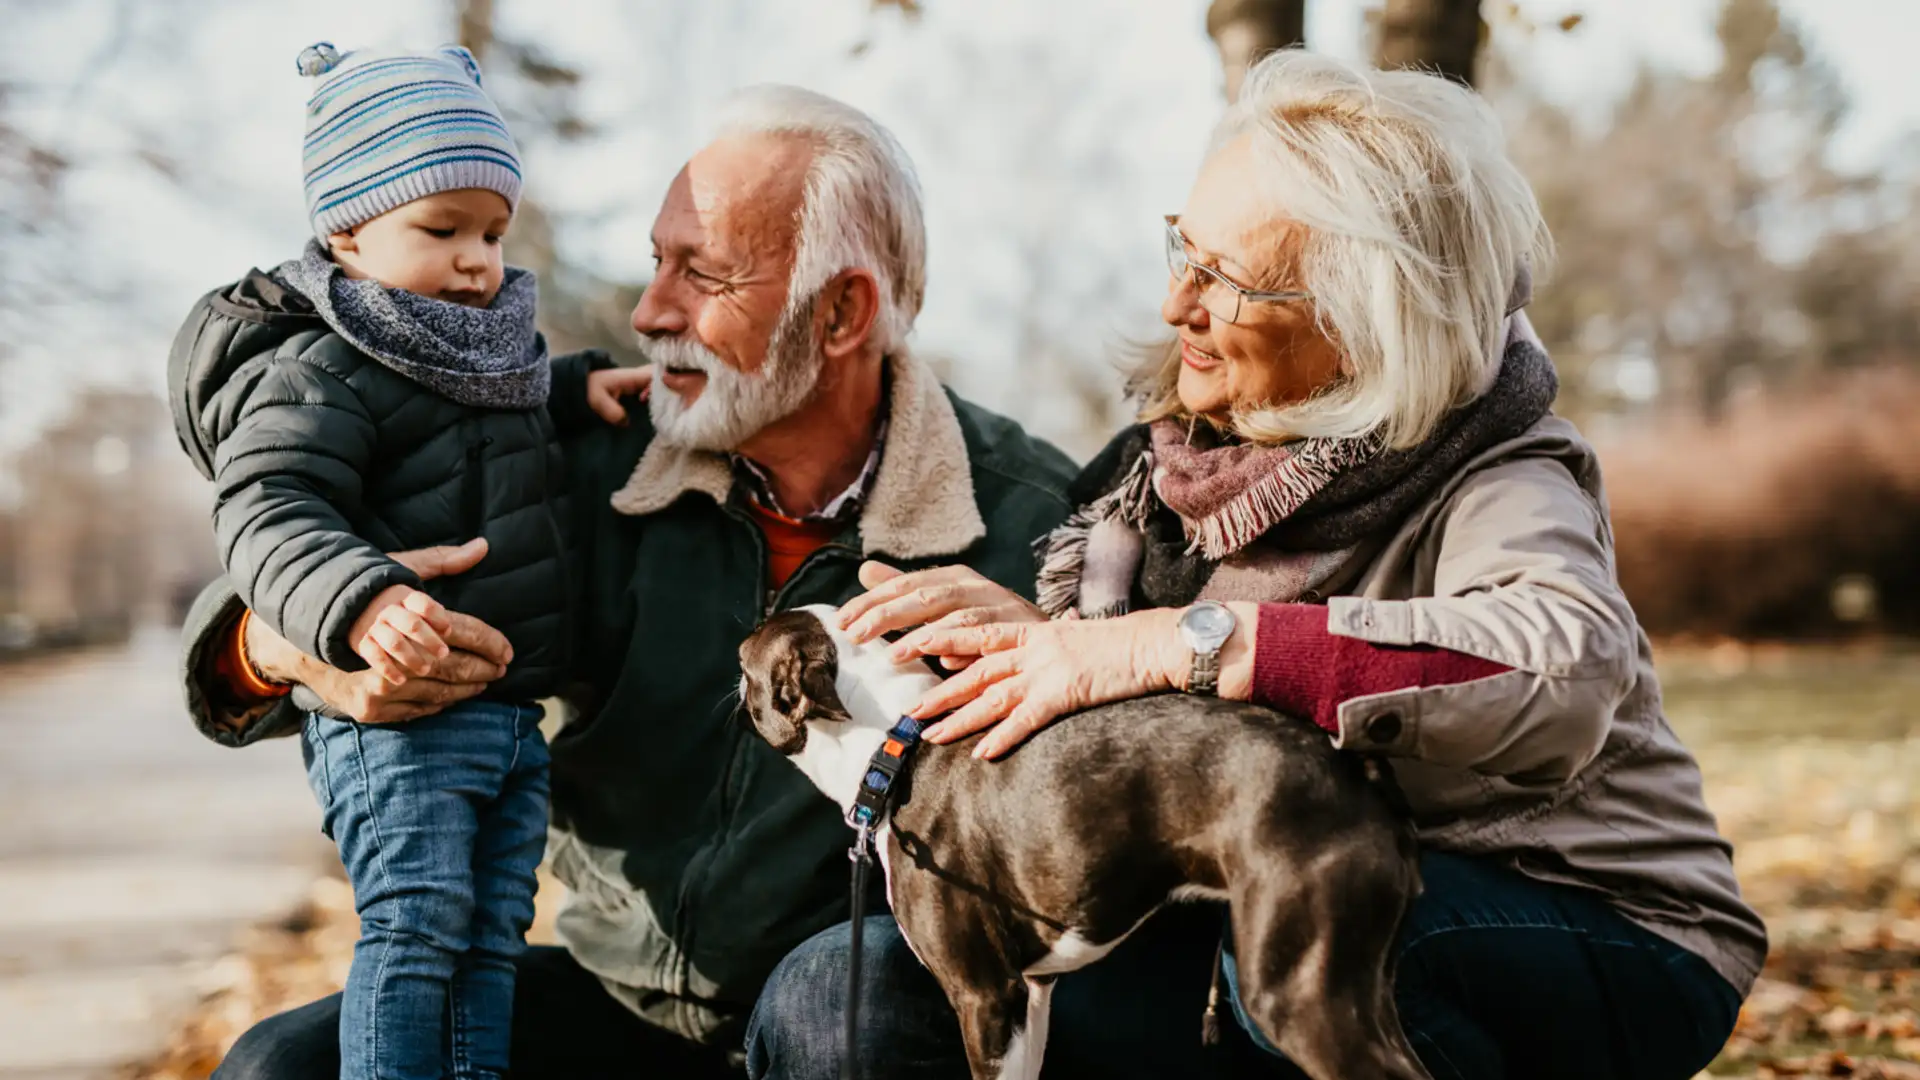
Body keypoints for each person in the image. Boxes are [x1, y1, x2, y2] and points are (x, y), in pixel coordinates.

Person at [837, 51, 1767, 1080]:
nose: (1176, 304)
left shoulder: (1506, 470)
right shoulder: (1165, 474)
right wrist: (1052, 649)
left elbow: (1562, 672)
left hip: (1591, 919)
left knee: (1313, 945)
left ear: (1367, 319)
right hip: (1250, 883)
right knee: (867, 988)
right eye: (1181, 250)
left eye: (1226, 279)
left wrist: (1191, 643)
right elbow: (1157, 738)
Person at [173, 85, 1083, 1079]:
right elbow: (244, 627)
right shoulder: (580, 458)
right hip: (613, 1003)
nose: (651, 313)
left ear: (840, 312)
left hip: (854, 1015)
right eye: (658, 262)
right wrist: (292, 649)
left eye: (703, 275)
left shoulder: (1037, 526)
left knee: (836, 1005)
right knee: (277, 1065)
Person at [169, 42, 647, 1080]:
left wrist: (573, 392)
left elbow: (490, 426)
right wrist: (359, 597)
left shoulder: (481, 350)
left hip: (507, 720)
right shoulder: (319, 368)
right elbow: (267, 505)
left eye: (492, 231)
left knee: (489, 939)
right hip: (399, 725)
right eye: (442, 230)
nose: (479, 260)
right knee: (413, 926)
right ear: (345, 230)